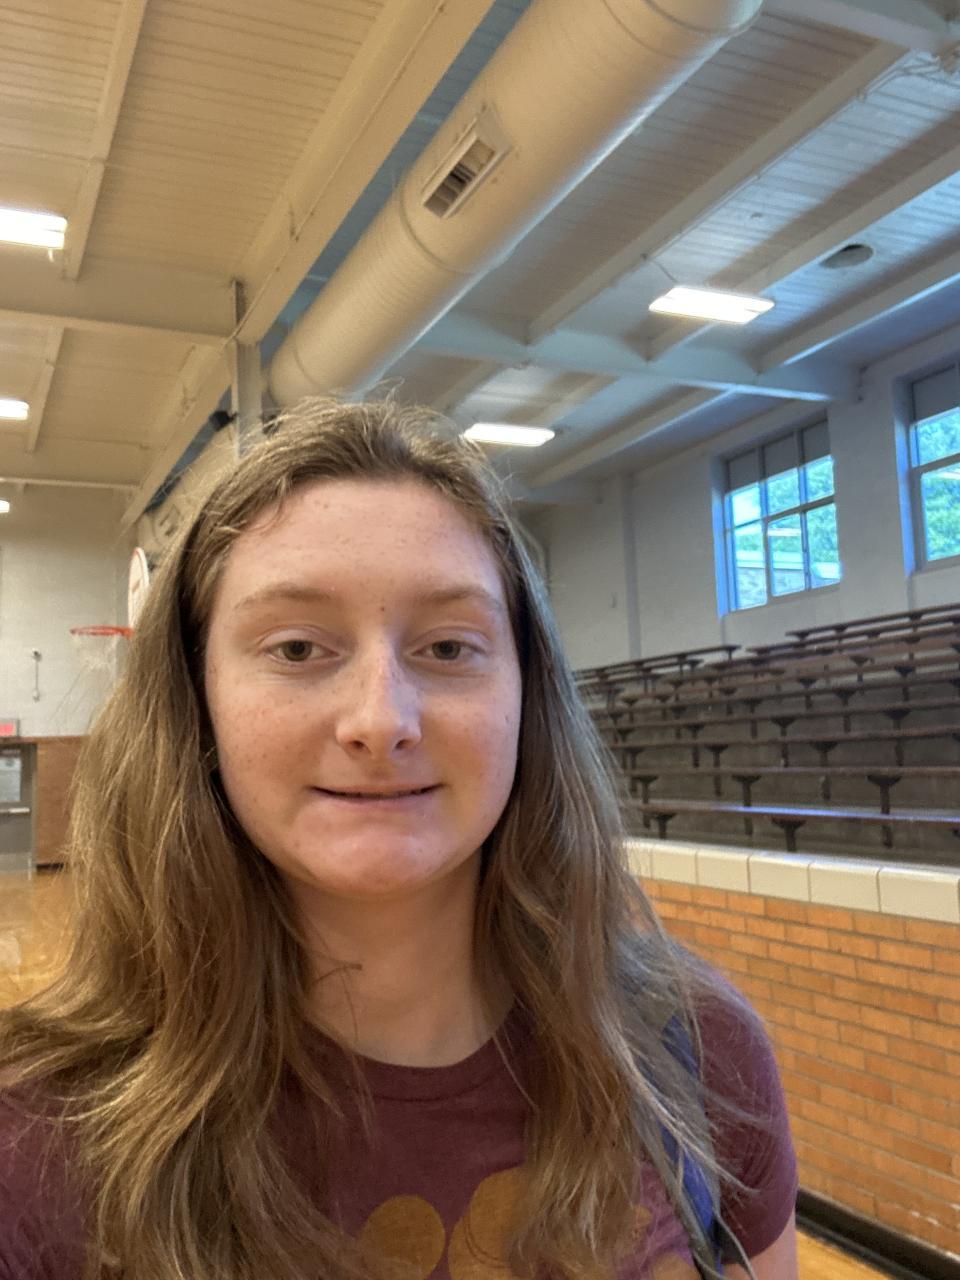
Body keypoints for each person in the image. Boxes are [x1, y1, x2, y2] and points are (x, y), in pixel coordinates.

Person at [0, 398, 798, 1280]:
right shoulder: (30, 1141)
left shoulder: (700, 1051)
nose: (382, 721)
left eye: (449, 648)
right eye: (297, 649)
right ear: (197, 702)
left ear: (526, 695)